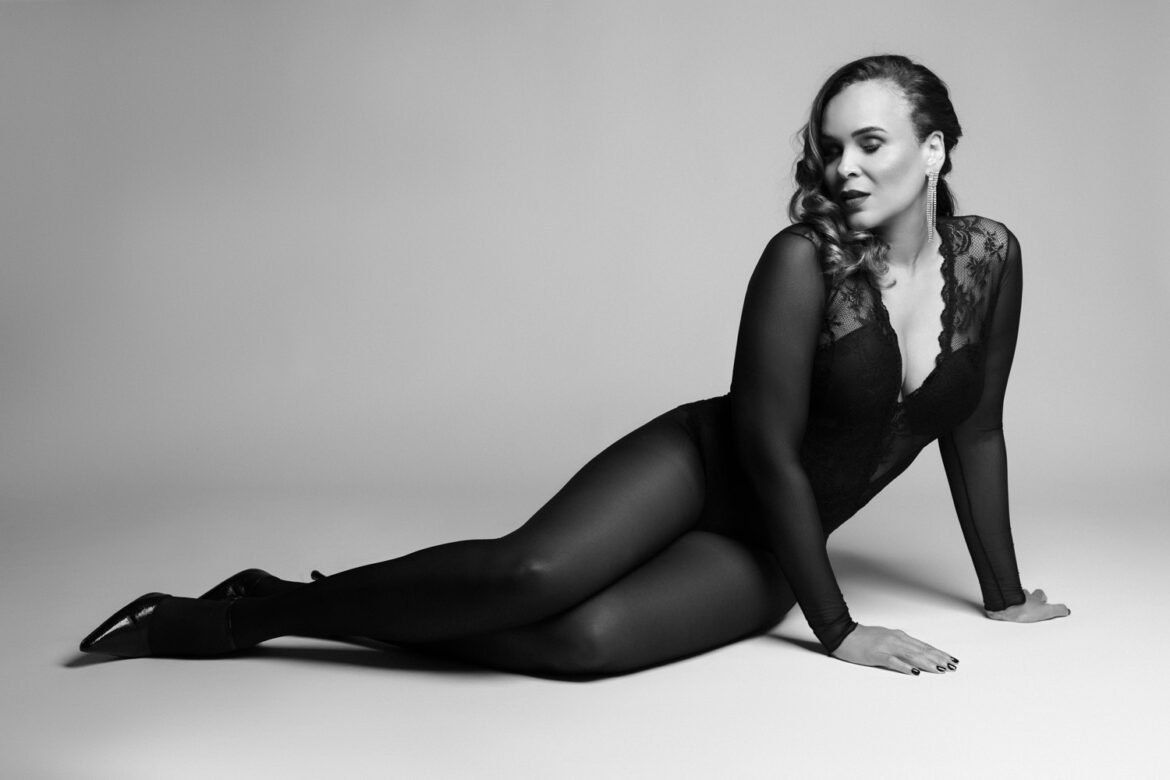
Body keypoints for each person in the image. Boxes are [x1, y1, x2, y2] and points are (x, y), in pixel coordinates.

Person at [79, 54, 1069, 677]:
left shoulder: (990, 258)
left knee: (582, 644)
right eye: (832, 147)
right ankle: (252, 615)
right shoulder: (800, 261)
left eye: (871, 143)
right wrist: (840, 629)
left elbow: (975, 426)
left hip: (776, 545)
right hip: (706, 466)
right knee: (531, 573)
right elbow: (768, 451)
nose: (844, 167)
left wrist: (1002, 593)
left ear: (932, 151)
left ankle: (284, 602)